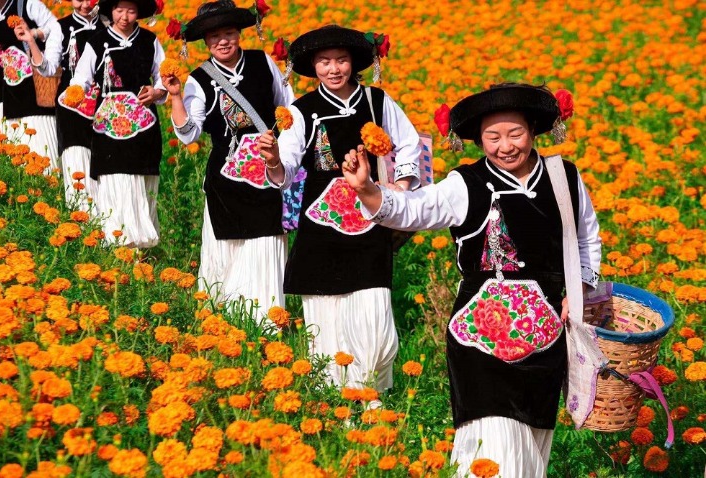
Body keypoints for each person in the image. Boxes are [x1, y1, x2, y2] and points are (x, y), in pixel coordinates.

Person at [342, 83, 602, 476]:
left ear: (533, 131)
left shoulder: (563, 176)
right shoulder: (466, 183)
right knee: (494, 440)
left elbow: (587, 237)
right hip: (479, 339)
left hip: (545, 335)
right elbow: (417, 209)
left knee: (533, 440)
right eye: (492, 137)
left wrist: (580, 289)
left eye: (515, 134)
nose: (505, 146)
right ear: (479, 140)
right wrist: (368, 190)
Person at [259, 25, 422, 397]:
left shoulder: (378, 102)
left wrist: (402, 184)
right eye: (325, 62)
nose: (334, 69)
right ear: (313, 67)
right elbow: (285, 166)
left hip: (370, 215)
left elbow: (410, 146)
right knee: (325, 308)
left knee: (374, 308)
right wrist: (272, 161)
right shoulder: (301, 111)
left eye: (342, 61)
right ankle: (333, 393)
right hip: (321, 221)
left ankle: (371, 389)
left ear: (355, 64)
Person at [162, 0, 294, 317]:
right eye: (215, 35)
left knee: (266, 247)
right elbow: (188, 133)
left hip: (267, 176)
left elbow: (289, 111)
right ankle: (225, 323)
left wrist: (285, 156)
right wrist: (176, 96)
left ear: (239, 34)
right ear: (205, 41)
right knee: (228, 253)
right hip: (226, 184)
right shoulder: (197, 79)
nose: (223, 40)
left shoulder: (263, 63)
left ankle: (265, 323)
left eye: (230, 32)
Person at [71, 0, 167, 248]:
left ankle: (143, 244)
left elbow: (163, 78)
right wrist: (75, 93)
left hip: (143, 124)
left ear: (139, 13)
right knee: (114, 178)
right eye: (119, 10)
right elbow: (82, 77)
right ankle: (116, 242)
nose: (124, 16)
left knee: (141, 181)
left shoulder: (149, 41)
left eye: (132, 10)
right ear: (110, 11)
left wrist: (157, 92)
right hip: (108, 125)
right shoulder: (96, 42)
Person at [0, 0, 61, 168]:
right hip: (6, 95)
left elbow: (55, 27)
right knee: (14, 158)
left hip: (35, 91)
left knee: (43, 154)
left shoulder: (27, 4)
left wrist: (34, 34)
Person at [55, 0, 105, 209]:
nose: (85, 4)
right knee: (76, 155)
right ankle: (81, 214)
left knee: (102, 156)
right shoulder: (59, 27)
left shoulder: (110, 27)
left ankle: (105, 217)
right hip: (70, 103)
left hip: (104, 105)